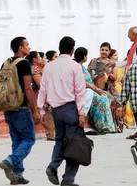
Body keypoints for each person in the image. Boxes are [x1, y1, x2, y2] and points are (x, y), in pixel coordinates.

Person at [38, 36, 86, 186]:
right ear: (72, 49)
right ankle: (68, 179)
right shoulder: (75, 67)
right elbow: (79, 91)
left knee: (60, 140)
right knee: (74, 144)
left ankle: (53, 166)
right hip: (71, 107)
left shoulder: (49, 66)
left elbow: (43, 89)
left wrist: (41, 109)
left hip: (56, 110)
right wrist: (81, 112)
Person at [0, 37, 39, 185]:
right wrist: (34, 110)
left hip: (9, 107)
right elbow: (28, 88)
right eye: (27, 45)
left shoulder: (6, 62)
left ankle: (17, 174)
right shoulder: (24, 63)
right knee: (29, 139)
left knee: (17, 141)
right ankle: (10, 161)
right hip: (21, 107)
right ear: (21, 48)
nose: (29, 47)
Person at [75, 47, 115, 133]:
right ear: (84, 56)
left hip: (92, 89)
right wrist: (95, 89)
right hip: (84, 91)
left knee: (105, 97)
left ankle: (108, 127)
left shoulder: (82, 67)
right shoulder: (77, 67)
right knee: (101, 99)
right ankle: (100, 126)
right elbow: (82, 82)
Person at [27, 50, 56, 141]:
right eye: (40, 57)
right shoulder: (35, 69)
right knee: (48, 109)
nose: (43, 59)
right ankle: (50, 133)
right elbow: (40, 84)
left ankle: (51, 133)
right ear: (35, 60)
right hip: (39, 94)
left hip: (42, 93)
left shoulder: (39, 69)